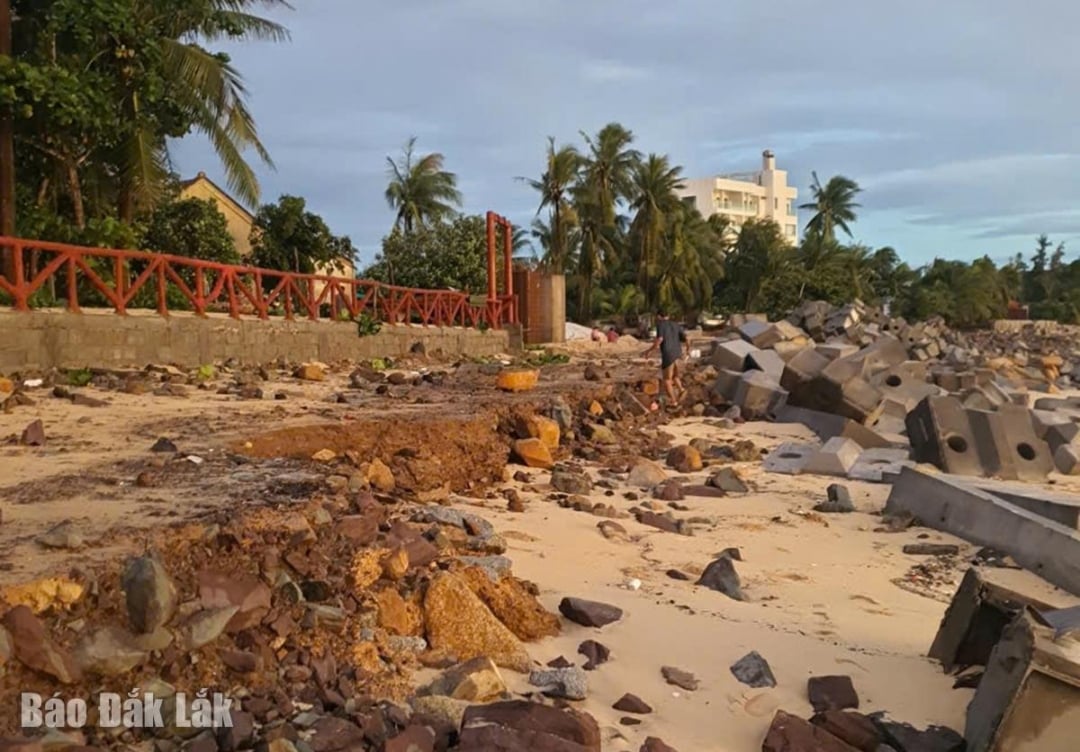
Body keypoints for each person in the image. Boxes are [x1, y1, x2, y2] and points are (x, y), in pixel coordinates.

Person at [644, 309, 687, 405]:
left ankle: (673, 401)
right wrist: (687, 349)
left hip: (668, 354)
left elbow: (660, 339)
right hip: (678, 353)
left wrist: (649, 351)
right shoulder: (676, 324)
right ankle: (681, 390)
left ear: (659, 316)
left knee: (667, 380)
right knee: (675, 376)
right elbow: (685, 337)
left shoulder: (661, 325)